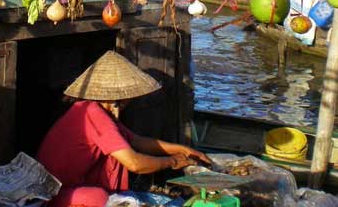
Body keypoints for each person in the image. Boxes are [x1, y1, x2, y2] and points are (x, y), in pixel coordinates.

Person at [37, 51, 211, 207]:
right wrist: (171, 162)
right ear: (118, 98)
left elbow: (137, 141)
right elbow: (134, 163)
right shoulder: (93, 114)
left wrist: (184, 149)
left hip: (67, 185)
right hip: (53, 195)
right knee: (99, 197)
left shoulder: (93, 109)